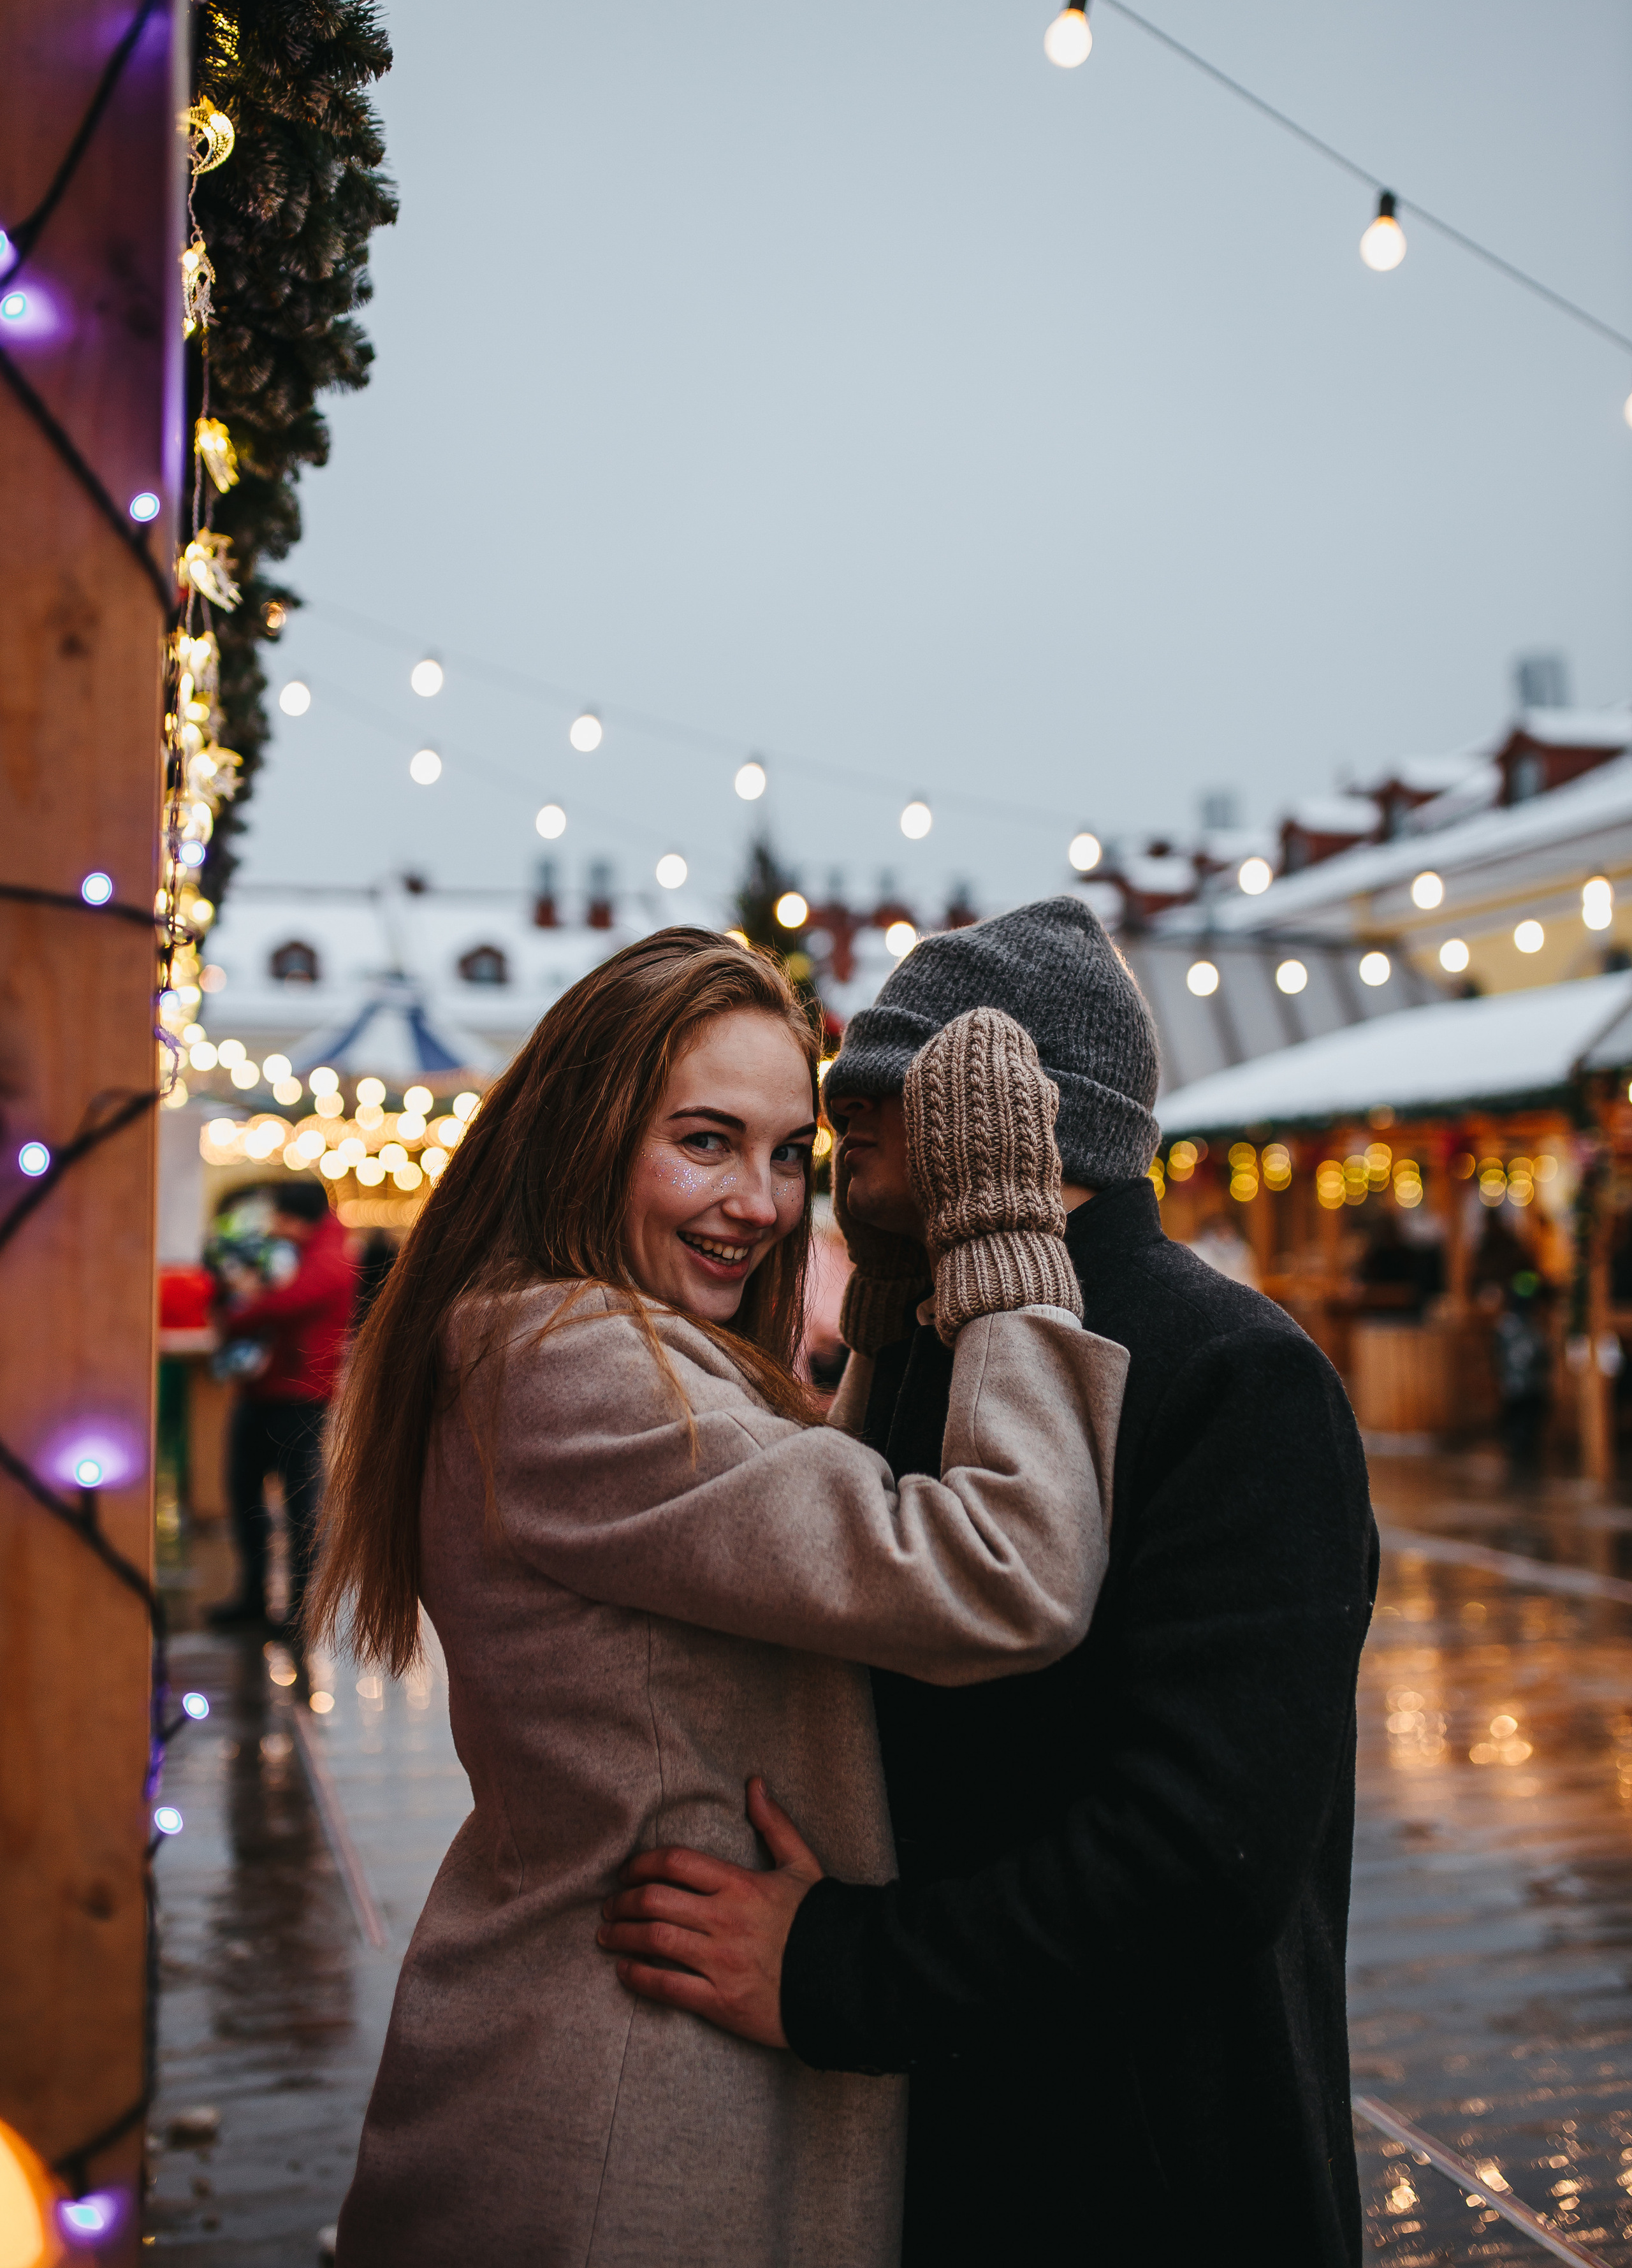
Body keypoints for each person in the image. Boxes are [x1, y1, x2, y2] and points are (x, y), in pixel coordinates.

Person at [310, 929, 1126, 2268]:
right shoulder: (573, 1362)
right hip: (628, 2107)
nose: (759, 1201)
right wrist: (998, 1238)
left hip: (621, 2044)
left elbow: (801, 1518)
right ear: (583, 1136)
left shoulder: (569, 1339)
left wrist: (875, 1306)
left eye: (789, 1154)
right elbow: (1004, 1575)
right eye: (703, 1142)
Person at [603, 897, 1380, 2268]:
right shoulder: (920, 1349)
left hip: (1148, 2176)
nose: (835, 1152)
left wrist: (839, 1968)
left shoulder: (1230, 1373)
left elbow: (1205, 1859)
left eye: (868, 1107)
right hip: (936, 2149)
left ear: (1000, 1110)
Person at [208, 1176, 355, 1645]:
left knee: (300, 1507)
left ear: (301, 1219)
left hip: (302, 1395)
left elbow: (291, 1302)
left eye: (282, 1218)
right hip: (263, 1391)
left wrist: (238, 1316)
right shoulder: (292, 1249)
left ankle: (297, 1610)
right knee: (245, 1494)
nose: (274, 1226)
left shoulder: (330, 1256)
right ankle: (254, 1596)